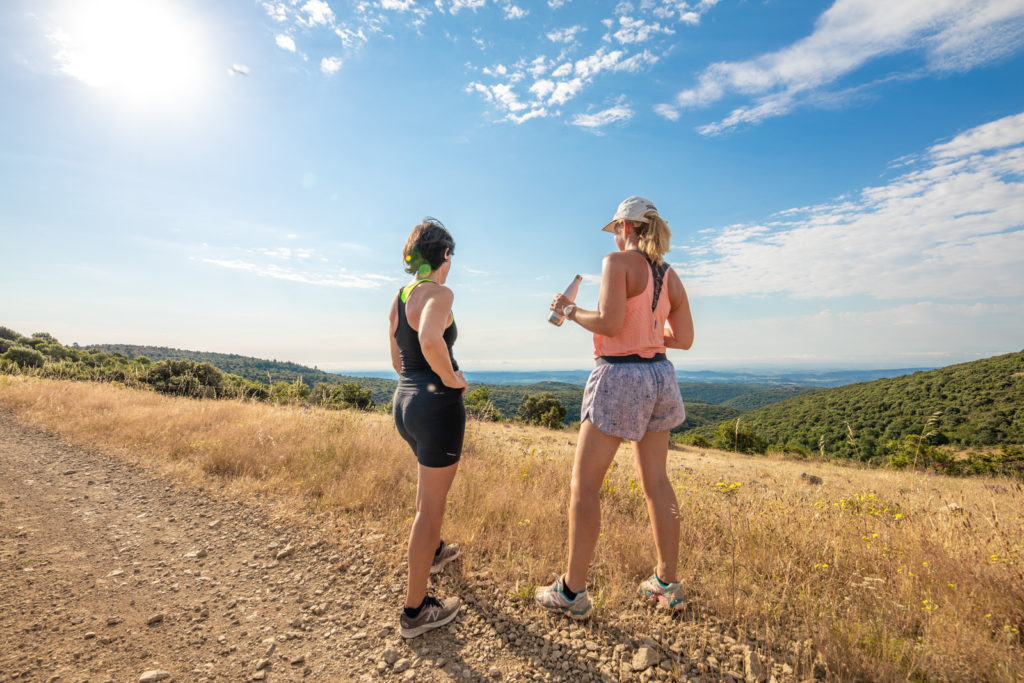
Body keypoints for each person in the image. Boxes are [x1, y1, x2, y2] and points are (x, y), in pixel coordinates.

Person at [537, 196, 694, 619]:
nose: (615, 236)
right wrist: (650, 332)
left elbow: (608, 322)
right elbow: (684, 338)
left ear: (625, 228)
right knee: (657, 483)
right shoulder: (669, 275)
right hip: (661, 376)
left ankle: (571, 593)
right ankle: (667, 584)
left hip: (620, 376)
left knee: (584, 486)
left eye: (616, 229)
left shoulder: (617, 264)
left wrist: (569, 310)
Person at [388, 217, 467, 638]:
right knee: (429, 509)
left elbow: (397, 360)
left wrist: (420, 382)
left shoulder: (401, 296)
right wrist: (452, 379)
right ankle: (416, 612)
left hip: (404, 401)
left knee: (427, 495)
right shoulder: (440, 292)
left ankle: (434, 551)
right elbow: (431, 341)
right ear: (446, 257)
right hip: (436, 408)